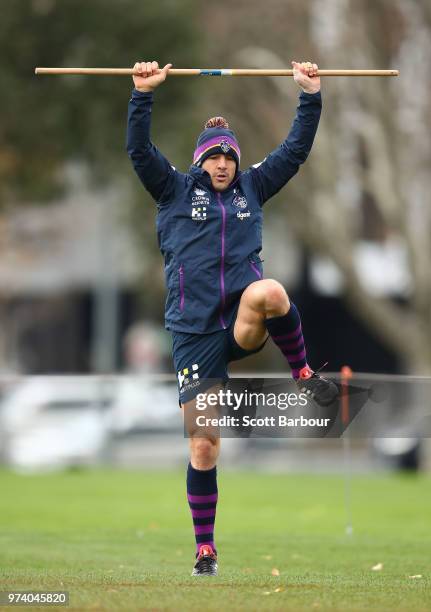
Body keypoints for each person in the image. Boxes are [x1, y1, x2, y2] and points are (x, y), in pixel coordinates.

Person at [127, 59, 338, 576]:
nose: (223, 164)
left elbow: (294, 152)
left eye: (229, 157)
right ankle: (205, 549)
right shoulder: (173, 191)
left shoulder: (253, 189)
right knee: (204, 443)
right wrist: (142, 95)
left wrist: (309, 95)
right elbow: (138, 150)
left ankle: (304, 372)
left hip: (240, 323)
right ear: (201, 162)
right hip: (193, 334)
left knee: (270, 290)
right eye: (214, 157)